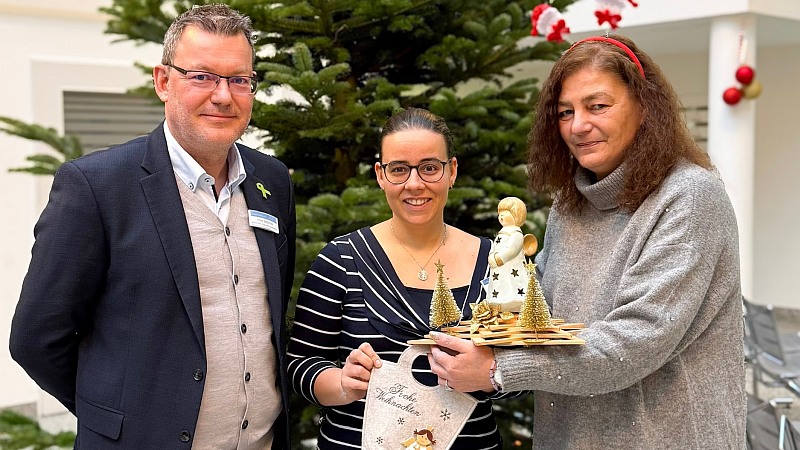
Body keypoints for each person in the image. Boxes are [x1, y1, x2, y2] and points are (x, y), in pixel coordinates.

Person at [426, 34, 746, 448]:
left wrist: (498, 369)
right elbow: (539, 314)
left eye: (598, 106)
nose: (578, 126)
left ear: (645, 107)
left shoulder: (690, 196)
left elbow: (638, 338)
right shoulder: (570, 203)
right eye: (566, 112)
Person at [10, 4, 295, 449]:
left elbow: (272, 316)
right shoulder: (97, 186)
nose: (223, 96)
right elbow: (36, 339)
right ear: (163, 81)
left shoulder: (272, 181)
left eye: (239, 79)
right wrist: (114, 415)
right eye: (202, 76)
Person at [287, 107, 517, 449]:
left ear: (452, 171)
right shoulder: (341, 259)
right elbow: (300, 364)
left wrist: (491, 374)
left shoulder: (495, 263)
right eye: (398, 169)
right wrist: (342, 383)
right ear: (380, 175)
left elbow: (529, 368)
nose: (414, 183)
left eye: (429, 167)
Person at [486, 196, 530, 311]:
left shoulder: (516, 234)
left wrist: (499, 259)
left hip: (510, 268)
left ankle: (514, 300)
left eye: (505, 213)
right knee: (500, 284)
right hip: (499, 269)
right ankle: (499, 300)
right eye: (500, 213)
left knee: (512, 283)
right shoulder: (502, 232)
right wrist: (491, 256)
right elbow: (496, 246)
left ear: (516, 215)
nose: (501, 216)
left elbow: (511, 249)